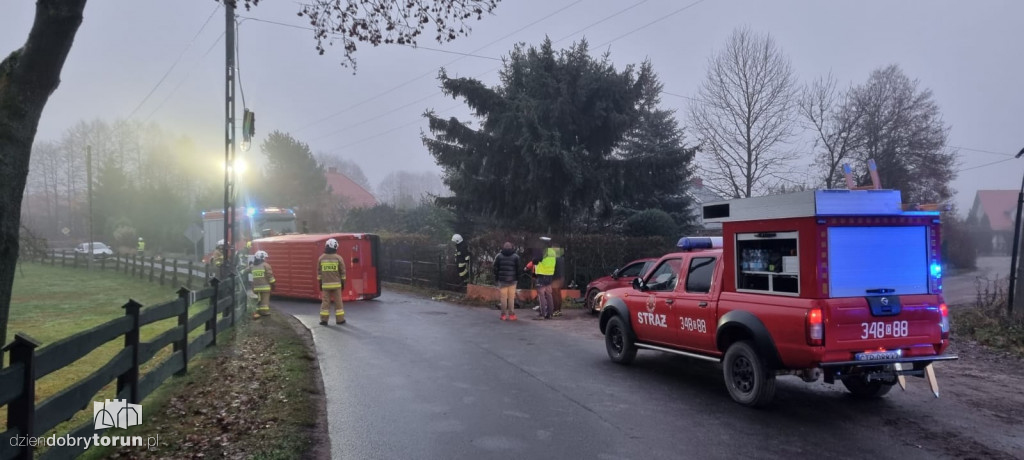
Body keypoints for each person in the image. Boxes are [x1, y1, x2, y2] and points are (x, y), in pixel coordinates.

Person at [317, 238, 347, 325]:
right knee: (338, 302)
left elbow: (319, 273)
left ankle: (324, 320)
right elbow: (343, 272)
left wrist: (320, 283)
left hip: (325, 285)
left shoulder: (321, 258)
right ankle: (340, 320)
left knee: (325, 303)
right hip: (337, 285)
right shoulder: (338, 258)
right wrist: (343, 283)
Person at [493, 242, 521, 321]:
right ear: (512, 247)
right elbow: (518, 269)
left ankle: (503, 315)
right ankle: (511, 315)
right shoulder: (516, 257)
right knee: (511, 298)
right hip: (512, 281)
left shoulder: (499, 256)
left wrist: (497, 277)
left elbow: (495, 268)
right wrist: (517, 278)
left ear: (503, 248)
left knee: (503, 298)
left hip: (502, 281)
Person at [532, 237, 557, 320]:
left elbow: (535, 261)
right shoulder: (553, 252)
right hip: (550, 276)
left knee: (541, 295)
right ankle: (550, 313)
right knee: (549, 295)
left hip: (542, 275)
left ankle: (542, 314)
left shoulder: (542, 251)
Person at [250, 250, 275, 319]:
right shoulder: (266, 265)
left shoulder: (252, 266)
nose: (265, 259)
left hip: (256, 287)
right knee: (265, 300)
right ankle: (264, 312)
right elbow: (270, 276)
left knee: (259, 299)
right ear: (262, 258)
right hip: (265, 287)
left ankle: (258, 310)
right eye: (265, 258)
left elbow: (246, 271)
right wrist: (273, 284)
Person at [551, 244, 566, 317]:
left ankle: (556, 310)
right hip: (561, 278)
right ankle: (559, 310)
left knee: (555, 295)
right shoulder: (561, 258)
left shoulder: (555, 259)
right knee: (558, 295)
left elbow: (554, 269)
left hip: (555, 278)